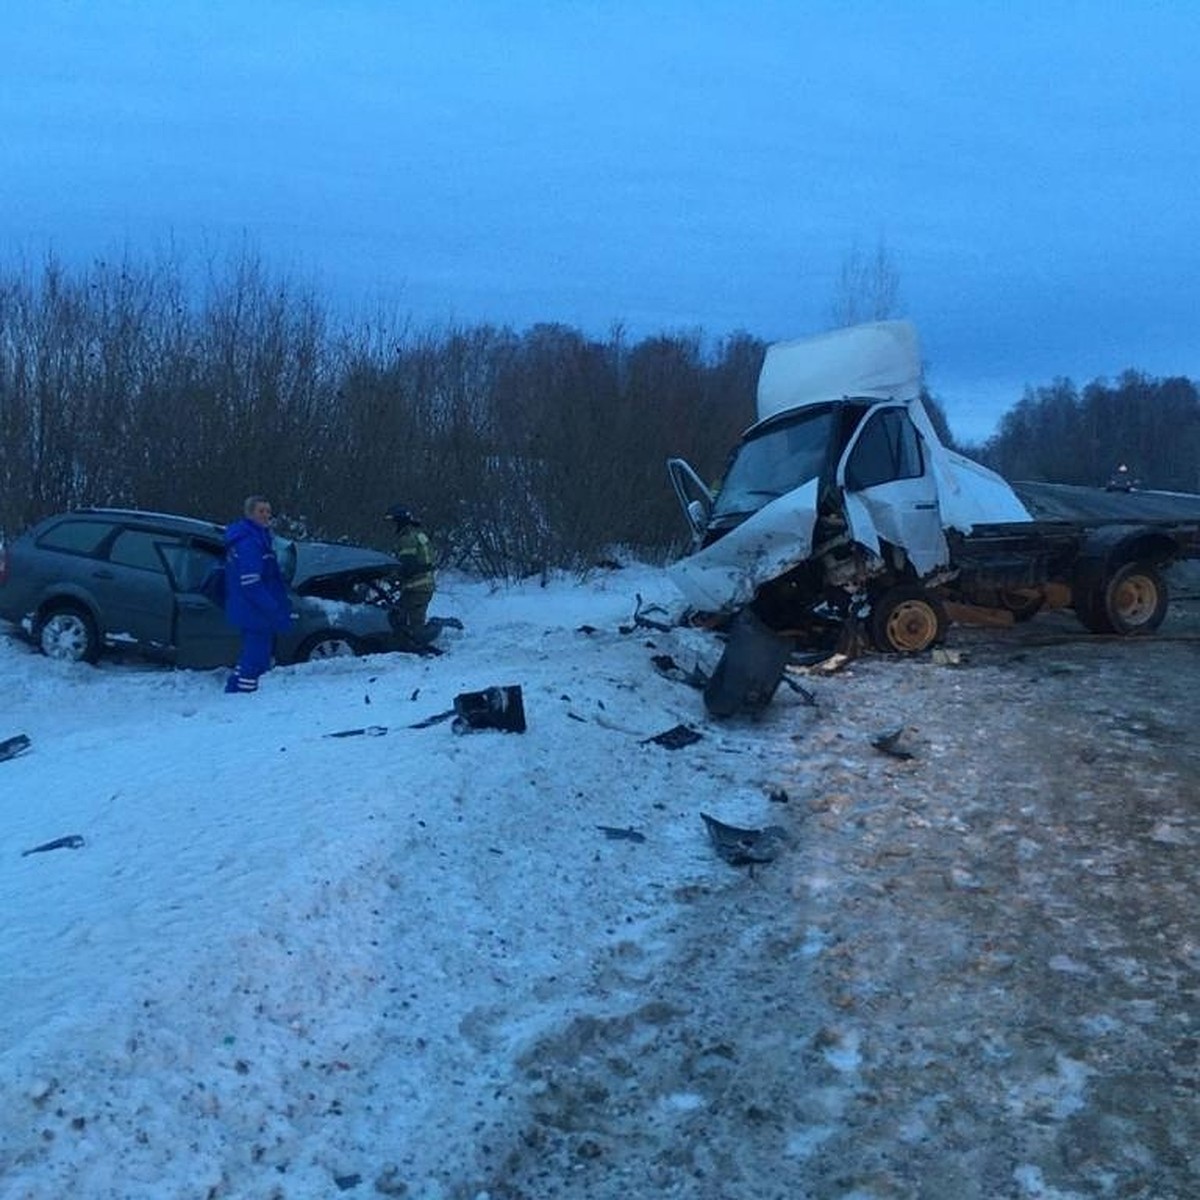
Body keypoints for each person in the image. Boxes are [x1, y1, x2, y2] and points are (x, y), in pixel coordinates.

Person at [223, 495, 294, 693]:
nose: (266, 516)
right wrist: (272, 606)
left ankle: (235, 688)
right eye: (261, 511)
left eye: (268, 512)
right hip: (254, 610)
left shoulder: (259, 537)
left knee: (251, 655)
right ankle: (243, 696)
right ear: (249, 513)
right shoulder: (249, 542)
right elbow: (251, 582)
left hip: (251, 609)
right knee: (256, 659)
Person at [385, 503, 436, 640]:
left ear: (400, 522)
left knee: (406, 624)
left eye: (394, 522)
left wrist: (390, 577)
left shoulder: (407, 538)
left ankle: (421, 646)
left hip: (417, 588)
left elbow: (407, 566)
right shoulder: (418, 533)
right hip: (423, 586)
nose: (393, 526)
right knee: (407, 619)